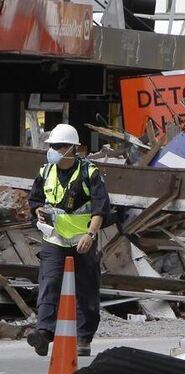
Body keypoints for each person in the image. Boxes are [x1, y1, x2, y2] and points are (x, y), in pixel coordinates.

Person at [26, 123, 110, 357]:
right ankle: (43, 333)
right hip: (54, 239)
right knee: (49, 283)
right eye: (52, 145)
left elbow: (100, 208)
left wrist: (90, 235)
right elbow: (34, 201)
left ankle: (83, 338)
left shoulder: (89, 173)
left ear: (71, 148)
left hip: (83, 241)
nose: (53, 149)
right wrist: (38, 212)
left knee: (86, 289)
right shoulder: (45, 172)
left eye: (58, 146)